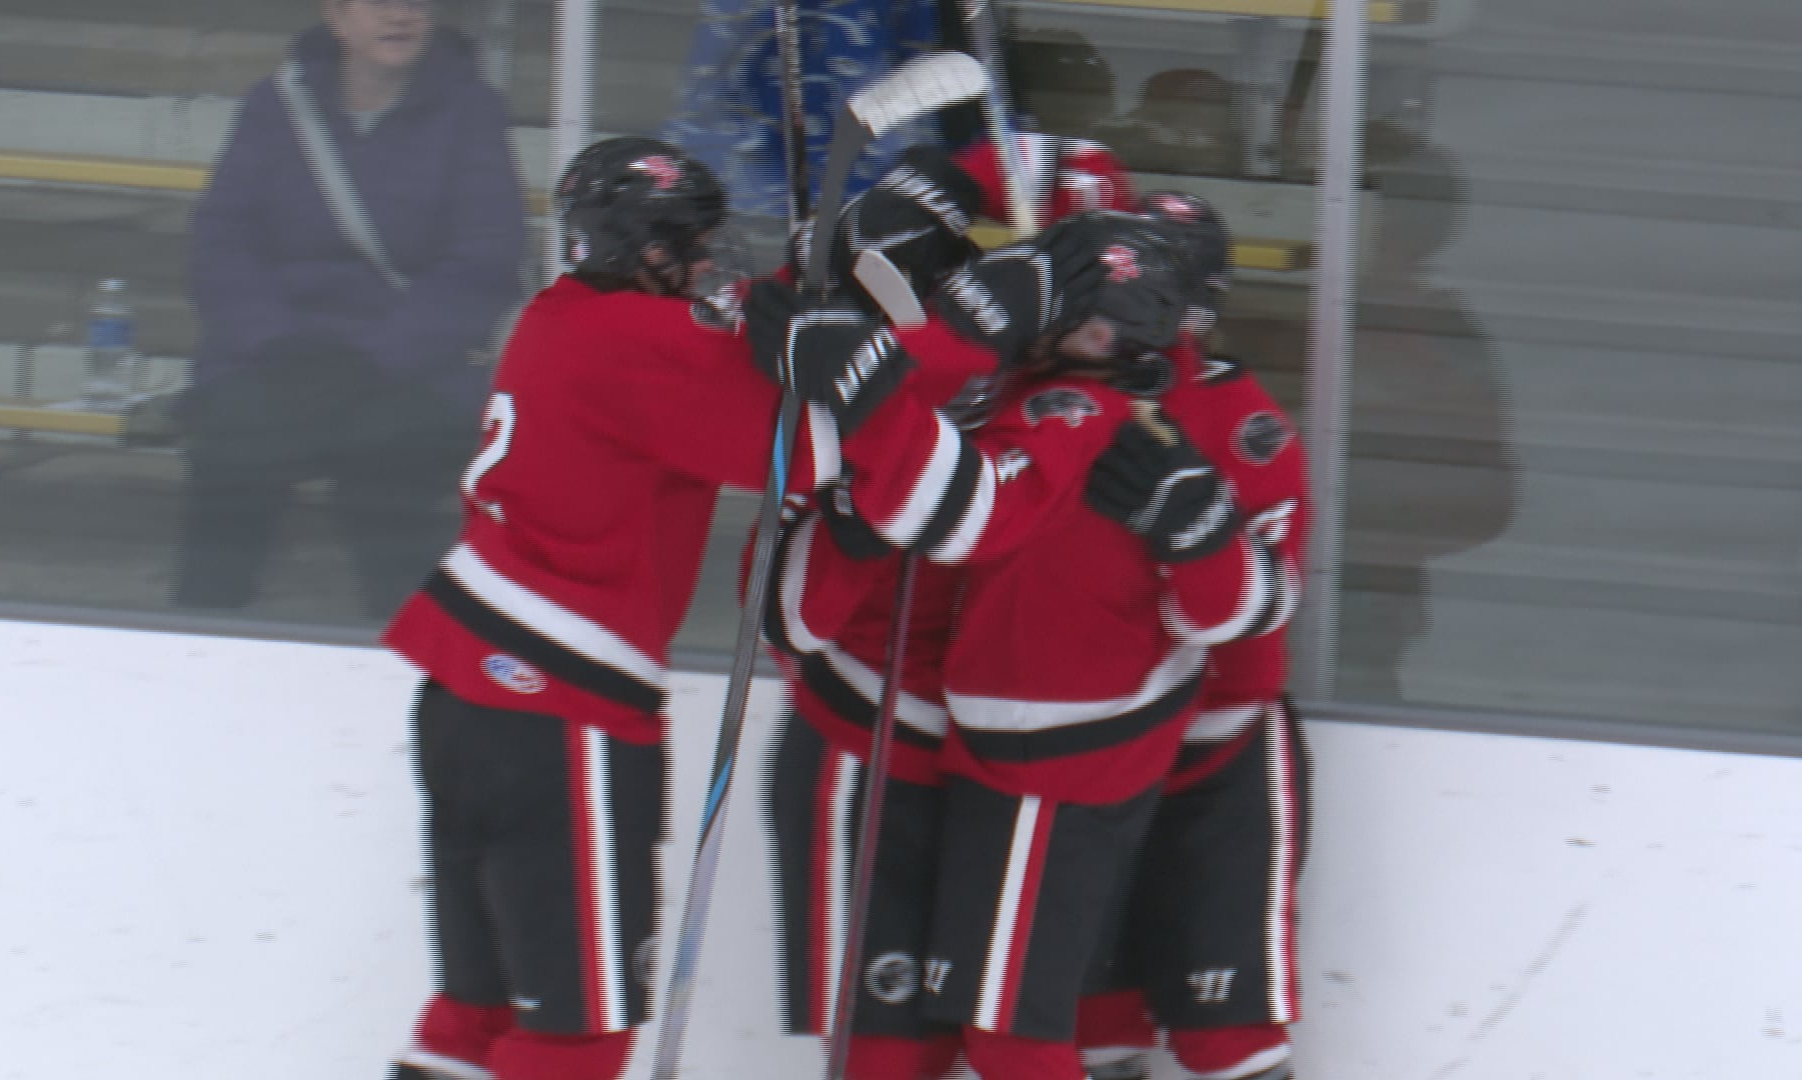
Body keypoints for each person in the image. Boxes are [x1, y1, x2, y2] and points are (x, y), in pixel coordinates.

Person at [380, 135, 1106, 1080]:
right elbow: (821, 428)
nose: (704, 261)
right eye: (687, 244)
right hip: (554, 708)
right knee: (578, 1035)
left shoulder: (566, 319)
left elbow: (752, 351)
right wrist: (973, 323)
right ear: (638, 247)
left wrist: (847, 261)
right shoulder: (637, 341)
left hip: (467, 690)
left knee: (473, 1014)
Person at [754, 210, 1295, 1080]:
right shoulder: (1059, 401)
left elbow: (960, 510)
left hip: (1040, 768)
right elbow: (786, 608)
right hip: (980, 759)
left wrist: (870, 394)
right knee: (943, 1037)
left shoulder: (1073, 410)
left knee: (1009, 1038)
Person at [179, 0, 530, 619]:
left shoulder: (470, 112)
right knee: (234, 442)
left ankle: (401, 638)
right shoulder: (275, 106)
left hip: (409, 362)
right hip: (279, 354)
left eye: (415, 2)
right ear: (336, 16)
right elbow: (221, 243)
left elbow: (484, 262)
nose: (402, 16)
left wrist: (379, 357)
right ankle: (202, 626)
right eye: (380, 2)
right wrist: (273, 342)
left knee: (391, 456)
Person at [1075, 192, 1312, 1080]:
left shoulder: (1249, 430)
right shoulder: (1058, 397)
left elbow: (1248, 631)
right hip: (1088, 758)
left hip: (1218, 760)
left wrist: (1194, 540)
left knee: (1227, 1031)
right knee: (1091, 1027)